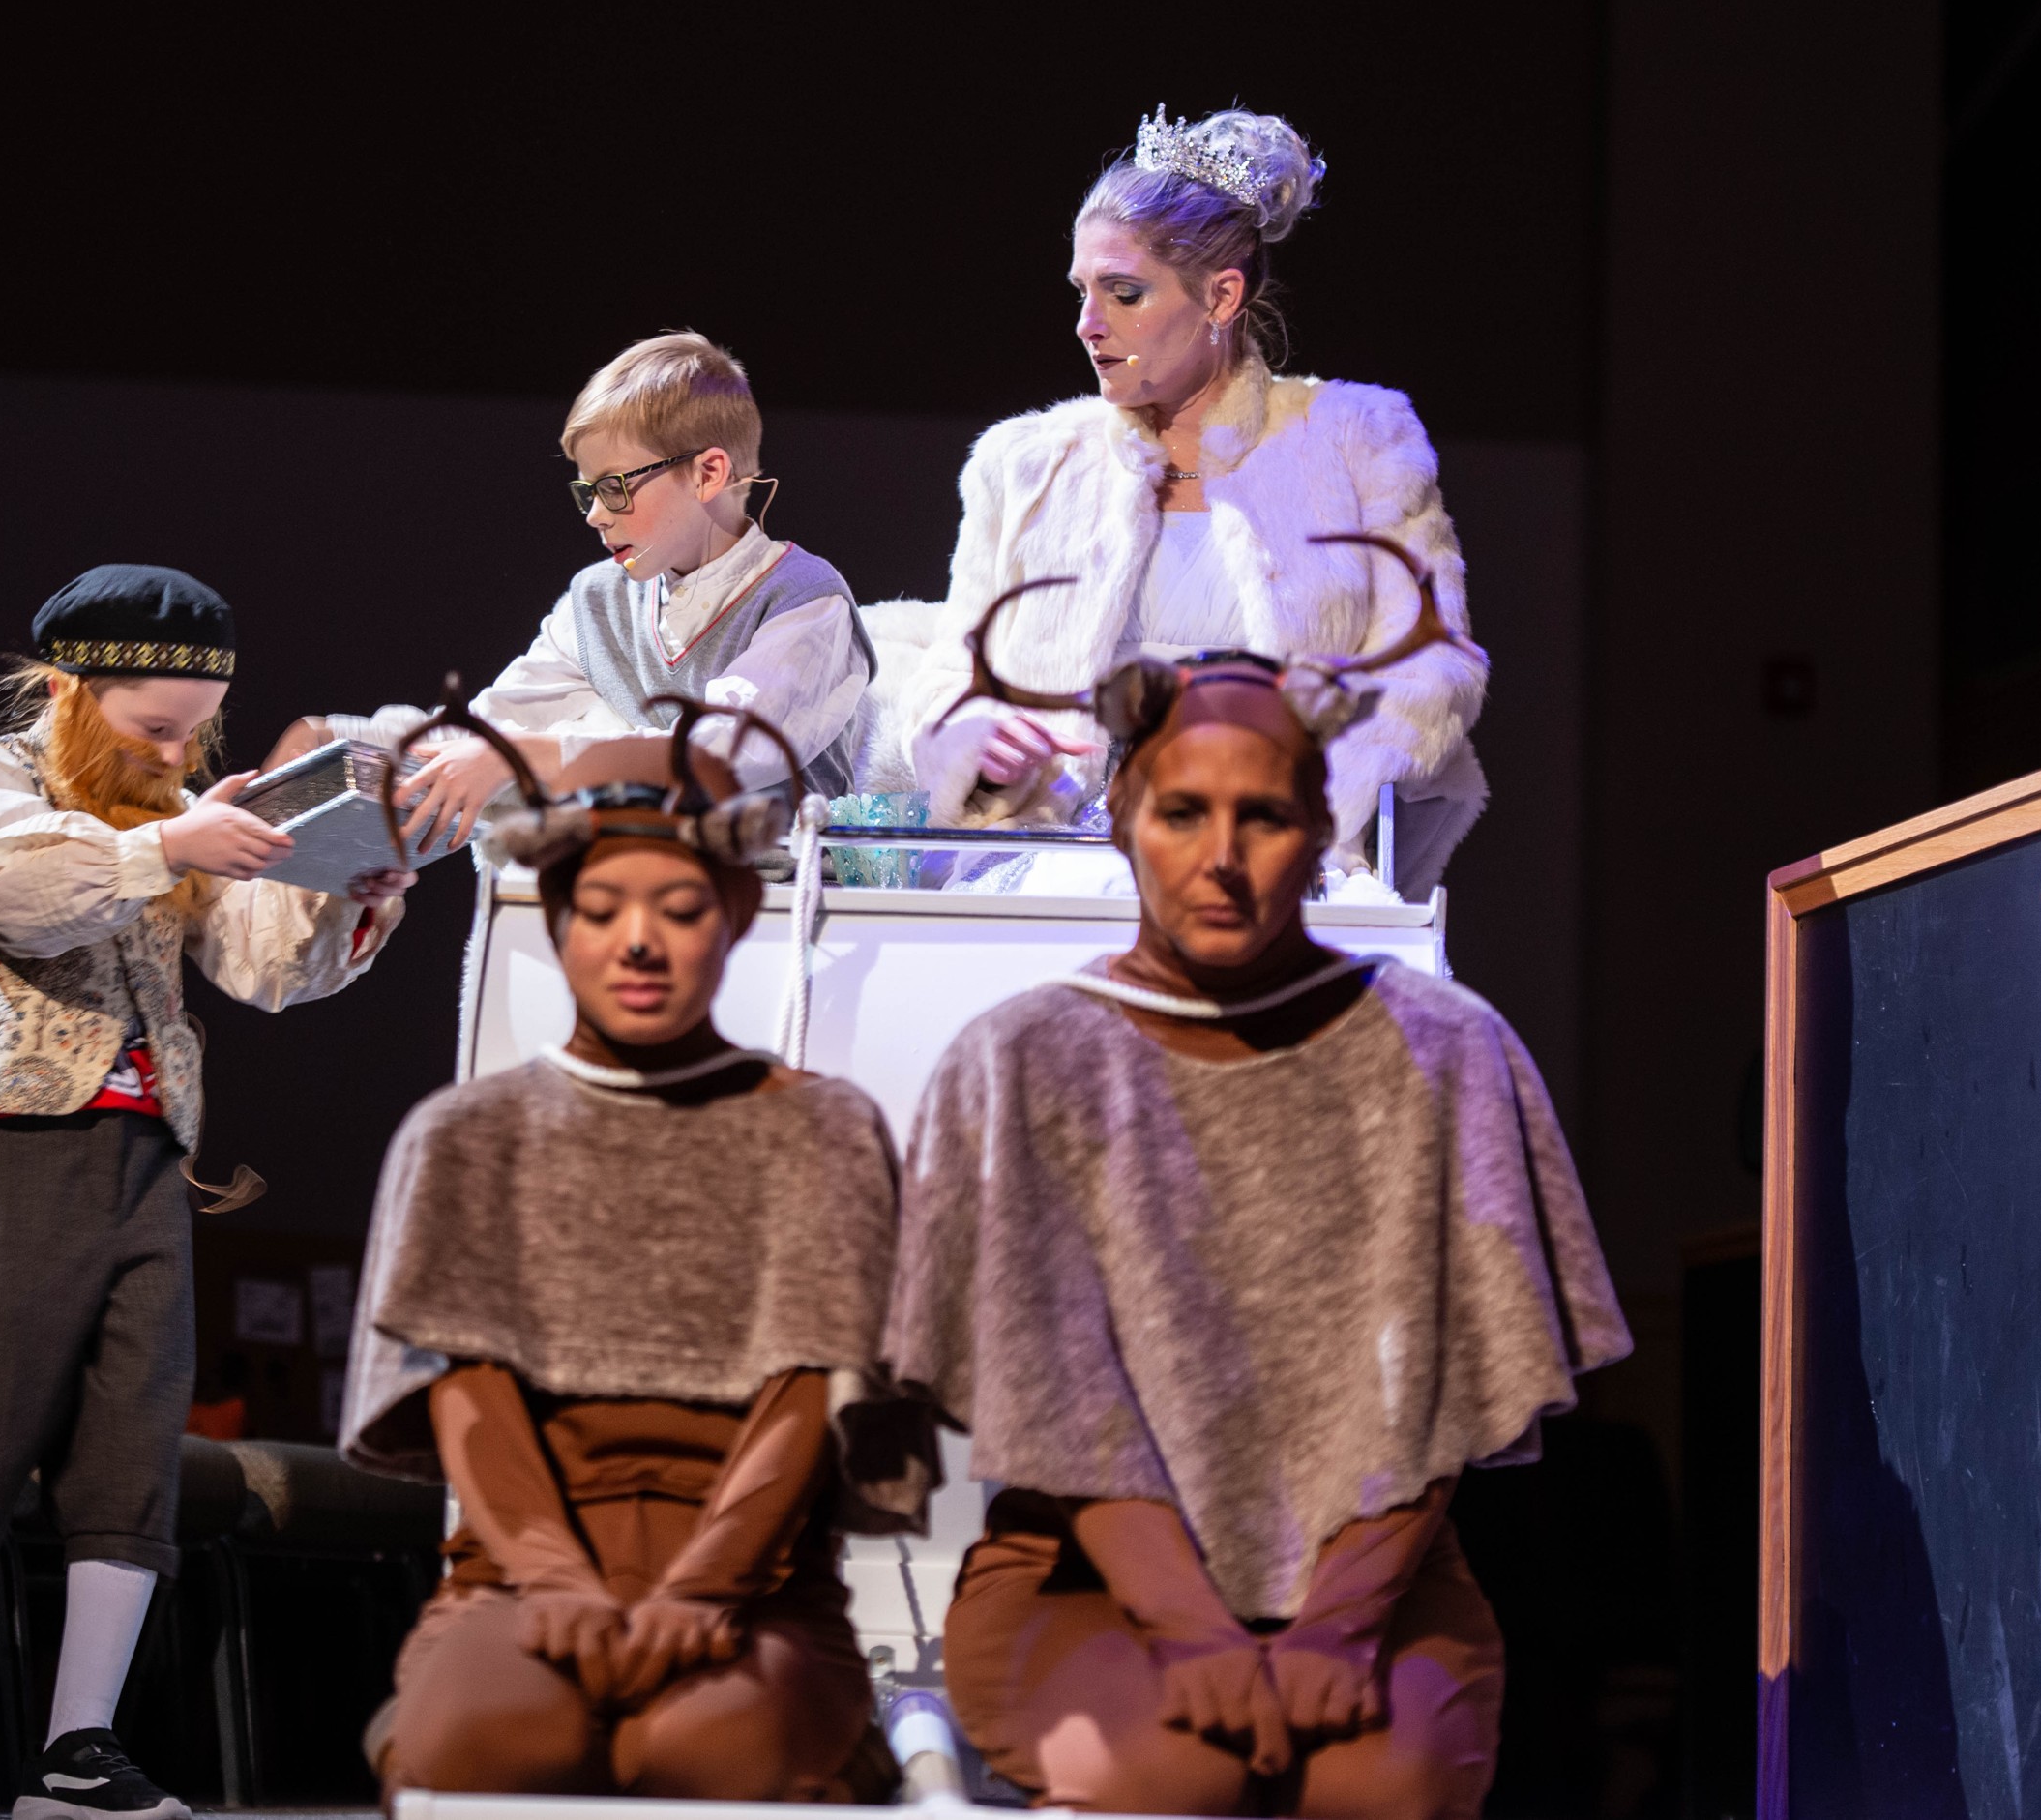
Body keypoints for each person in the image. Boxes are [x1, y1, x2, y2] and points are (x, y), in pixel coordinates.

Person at [882, 580, 1629, 1815]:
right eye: (1184, 811)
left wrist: (1336, 1626)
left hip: (1377, 1571)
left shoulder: (1445, 1051)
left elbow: (1447, 1389)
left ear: (1321, 822)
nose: (1221, 859)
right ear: (1123, 815)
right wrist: (1194, 1630)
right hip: (1081, 1571)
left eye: (1265, 816)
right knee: (1169, 1766)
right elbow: (1055, 1399)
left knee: (1383, 1782)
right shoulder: (1024, 1060)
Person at [0, 566, 411, 1820]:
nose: (179, 752)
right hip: (19, 1141)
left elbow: (260, 965)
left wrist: (344, 894)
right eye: (155, 726)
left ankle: (77, 1746)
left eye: (195, 730)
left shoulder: (173, 810)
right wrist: (167, 843)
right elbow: (16, 894)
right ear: (71, 692)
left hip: (151, 1156)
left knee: (130, 1443)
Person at [342, 702, 931, 1800]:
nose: (640, 941)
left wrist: (706, 1585)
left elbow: (818, 1379)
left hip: (761, 1584)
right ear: (559, 916)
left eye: (680, 906)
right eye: (602, 907)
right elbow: (467, 1380)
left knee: (706, 1749)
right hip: (513, 1575)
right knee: (490, 1740)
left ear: (737, 911)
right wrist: (554, 1578)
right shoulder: (470, 1133)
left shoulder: (820, 1128)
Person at [881, 107, 1490, 896]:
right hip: (1054, 860)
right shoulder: (1026, 464)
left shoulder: (1357, 440)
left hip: (1275, 865)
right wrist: (958, 730)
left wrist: (1302, 797)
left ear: (1221, 296)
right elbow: (952, 669)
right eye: (1082, 292)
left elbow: (1430, 664)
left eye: (1124, 293)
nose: (1088, 325)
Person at [384, 331, 876, 852]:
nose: (595, 515)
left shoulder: (805, 601)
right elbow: (482, 729)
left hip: (775, 887)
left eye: (613, 486)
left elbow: (718, 755)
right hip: (638, 875)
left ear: (708, 473)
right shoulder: (597, 600)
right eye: (587, 491)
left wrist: (522, 755)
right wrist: (339, 750)